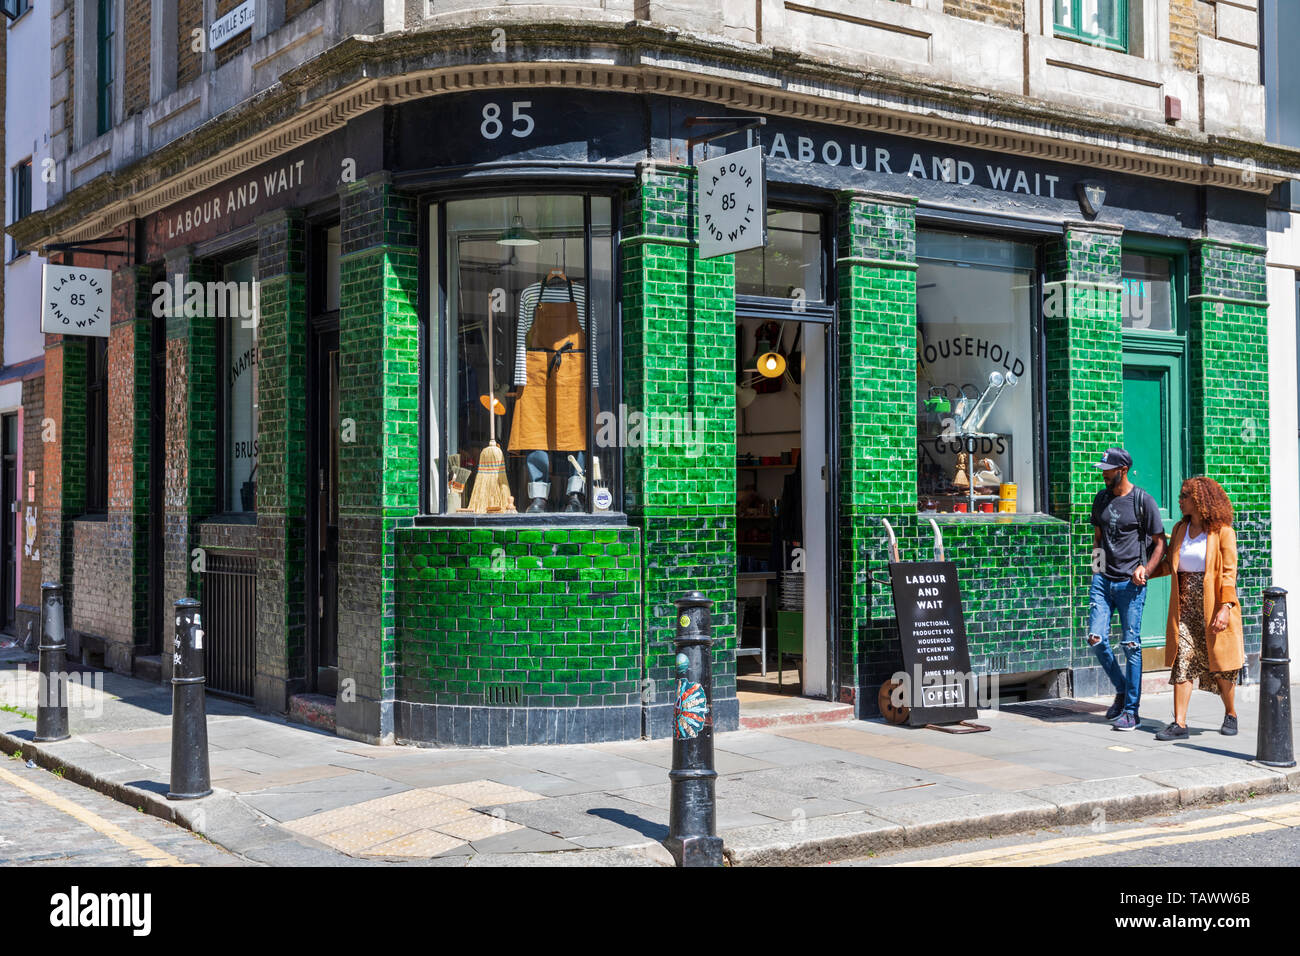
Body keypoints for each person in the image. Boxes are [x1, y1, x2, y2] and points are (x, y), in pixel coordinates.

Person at [1149, 477, 1244, 740]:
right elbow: (1170, 564)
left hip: (1214, 606)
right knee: (1183, 661)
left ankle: (1231, 713)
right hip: (1185, 607)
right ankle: (1179, 724)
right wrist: (1146, 572)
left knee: (1221, 666)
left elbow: (1228, 573)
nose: (1179, 500)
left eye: (1184, 496)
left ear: (1199, 500)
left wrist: (1225, 607)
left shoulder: (1222, 531)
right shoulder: (1180, 528)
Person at [1088, 448, 1167, 731]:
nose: (1103, 473)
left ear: (1121, 470)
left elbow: (1160, 543)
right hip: (1103, 580)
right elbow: (1097, 537)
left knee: (1131, 645)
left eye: (1107, 469)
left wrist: (1145, 570)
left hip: (1131, 585)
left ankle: (1131, 711)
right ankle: (1122, 690)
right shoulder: (1101, 498)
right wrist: (1096, 571)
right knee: (1096, 639)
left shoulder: (1142, 500)